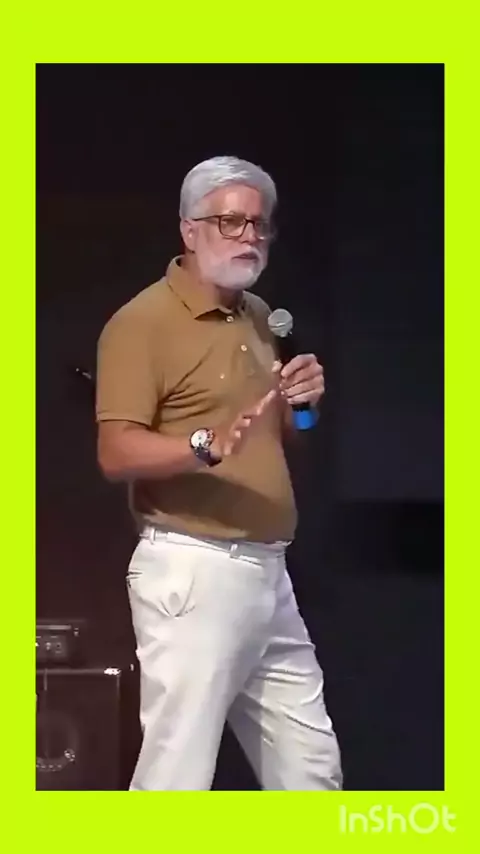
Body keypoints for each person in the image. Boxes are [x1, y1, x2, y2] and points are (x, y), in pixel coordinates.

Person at [95, 155, 342, 791]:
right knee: (176, 778)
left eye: (259, 225)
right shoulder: (142, 323)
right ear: (189, 229)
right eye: (230, 222)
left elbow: (286, 440)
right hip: (194, 570)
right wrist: (201, 446)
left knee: (312, 773)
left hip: (268, 572)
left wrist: (305, 407)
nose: (249, 237)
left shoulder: (261, 316)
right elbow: (116, 453)